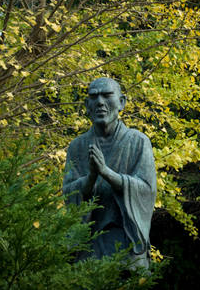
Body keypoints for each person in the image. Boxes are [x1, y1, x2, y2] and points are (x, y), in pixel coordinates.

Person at [63, 77, 156, 268]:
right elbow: (69, 192)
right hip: (89, 244)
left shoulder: (138, 141)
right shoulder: (77, 146)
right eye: (94, 97)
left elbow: (147, 190)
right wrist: (91, 177)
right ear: (87, 105)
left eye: (107, 96)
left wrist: (107, 173)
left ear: (121, 102)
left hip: (126, 241)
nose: (100, 102)